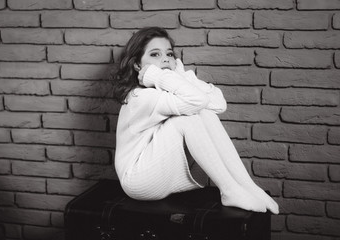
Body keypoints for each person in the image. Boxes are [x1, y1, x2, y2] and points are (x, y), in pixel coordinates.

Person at [113, 27, 279, 214]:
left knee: (205, 113)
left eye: (169, 54)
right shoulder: (139, 97)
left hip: (164, 172)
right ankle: (230, 190)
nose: (165, 59)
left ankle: (247, 185)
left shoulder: (166, 88)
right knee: (187, 119)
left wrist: (180, 76)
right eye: (155, 54)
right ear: (137, 65)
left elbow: (217, 104)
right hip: (138, 180)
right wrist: (159, 75)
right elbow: (198, 100)